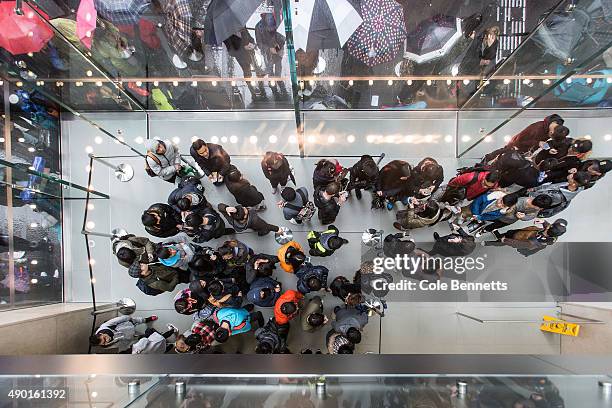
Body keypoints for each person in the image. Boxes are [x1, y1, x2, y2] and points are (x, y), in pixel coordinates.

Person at [224, 28, 267, 101]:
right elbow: (231, 51)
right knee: (247, 72)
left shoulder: (243, 29)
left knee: (258, 70)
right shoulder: (227, 34)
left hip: (251, 53)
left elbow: (251, 38)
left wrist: (252, 44)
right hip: (241, 57)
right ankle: (253, 92)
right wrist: (244, 48)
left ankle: (261, 89)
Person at [484, 219, 568, 257]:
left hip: (518, 239)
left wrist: (505, 240)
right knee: (510, 232)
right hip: (522, 232)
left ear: (549, 229)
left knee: (502, 240)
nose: (548, 225)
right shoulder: (553, 235)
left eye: (550, 225)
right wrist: (544, 222)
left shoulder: (535, 242)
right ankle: (499, 236)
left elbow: (518, 244)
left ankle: (488, 243)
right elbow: (549, 227)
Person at [255, 13, 288, 100]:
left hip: (278, 50)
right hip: (267, 53)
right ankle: (274, 89)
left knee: (278, 71)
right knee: (270, 71)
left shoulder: (277, 23)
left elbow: (283, 38)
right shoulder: (258, 27)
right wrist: (269, 49)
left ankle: (282, 89)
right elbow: (259, 43)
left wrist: (277, 48)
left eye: (272, 28)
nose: (271, 30)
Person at [480, 194, 553, 234]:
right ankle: (480, 222)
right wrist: (509, 211)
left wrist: (523, 217)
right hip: (501, 215)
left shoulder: (536, 208)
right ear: (537, 206)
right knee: (489, 218)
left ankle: (485, 230)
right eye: (540, 208)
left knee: (494, 226)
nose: (541, 209)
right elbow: (507, 207)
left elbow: (530, 217)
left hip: (507, 220)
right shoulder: (520, 201)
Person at [89, 314, 157, 352]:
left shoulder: (105, 326)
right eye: (104, 342)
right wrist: (130, 340)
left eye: (104, 338)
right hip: (127, 336)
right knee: (140, 336)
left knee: (137, 320)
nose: (107, 340)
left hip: (126, 325)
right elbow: (117, 345)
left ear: (101, 334)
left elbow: (118, 319)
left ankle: (147, 319)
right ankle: (150, 335)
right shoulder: (105, 346)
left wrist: (128, 318)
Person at [217, 204, 282, 236]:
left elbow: (219, 207)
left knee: (253, 227)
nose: (245, 207)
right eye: (244, 209)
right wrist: (277, 229)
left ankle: (255, 229)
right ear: (245, 216)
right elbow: (266, 226)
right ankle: (261, 233)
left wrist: (226, 208)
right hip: (254, 224)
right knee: (261, 228)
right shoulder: (255, 220)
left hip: (246, 225)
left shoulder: (231, 218)